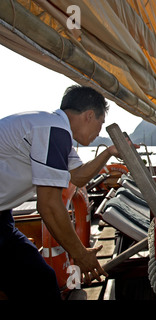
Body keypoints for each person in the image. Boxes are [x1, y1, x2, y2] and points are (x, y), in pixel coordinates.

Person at [0, 85, 130, 299]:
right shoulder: (52, 130)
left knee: (40, 280)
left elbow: (77, 176)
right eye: (101, 123)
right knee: (39, 282)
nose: (99, 132)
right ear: (89, 115)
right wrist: (81, 254)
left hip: (3, 218)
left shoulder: (54, 129)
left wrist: (108, 153)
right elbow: (49, 206)